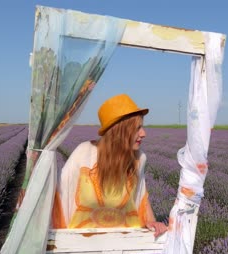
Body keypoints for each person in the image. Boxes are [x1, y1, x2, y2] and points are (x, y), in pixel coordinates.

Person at [51, 94, 167, 237]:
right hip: (83, 243)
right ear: (120, 131)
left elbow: (141, 196)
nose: (144, 133)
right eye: (137, 128)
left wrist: (152, 222)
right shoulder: (84, 153)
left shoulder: (139, 159)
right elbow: (61, 197)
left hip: (126, 243)